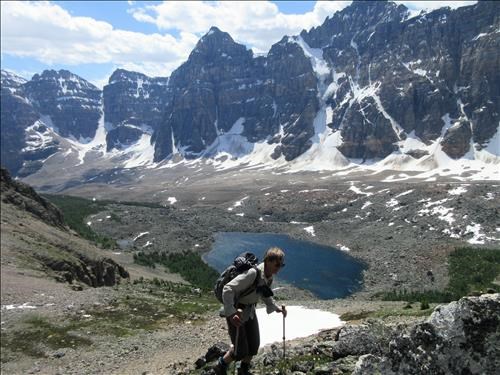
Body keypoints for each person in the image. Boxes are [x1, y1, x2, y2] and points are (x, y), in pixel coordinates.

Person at [214, 247, 287, 375]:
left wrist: (276, 308)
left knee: (254, 345)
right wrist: (231, 313)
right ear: (268, 261)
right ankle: (220, 365)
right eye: (277, 264)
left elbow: (264, 294)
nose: (279, 268)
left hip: (250, 310)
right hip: (237, 311)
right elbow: (228, 289)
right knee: (240, 350)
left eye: (281, 265)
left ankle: (243, 370)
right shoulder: (253, 274)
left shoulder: (268, 277)